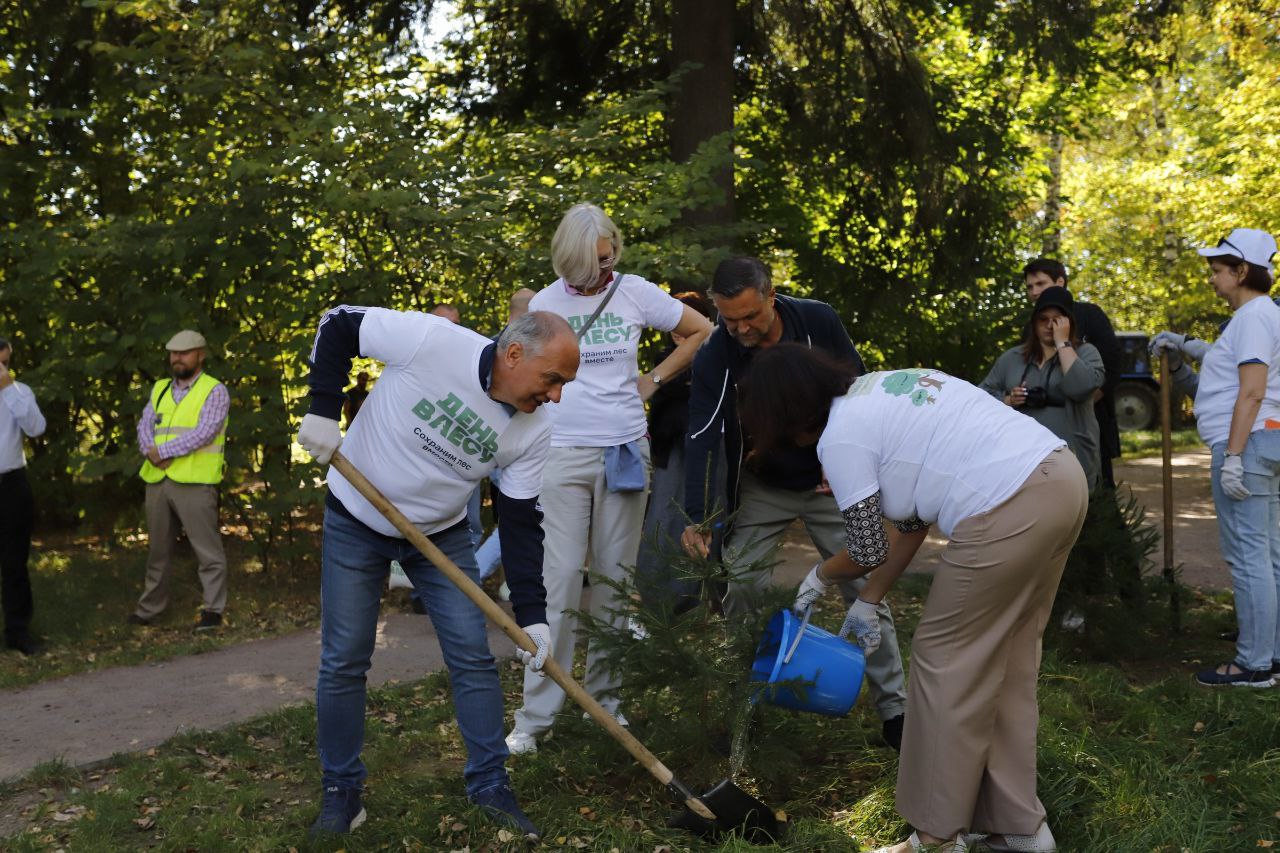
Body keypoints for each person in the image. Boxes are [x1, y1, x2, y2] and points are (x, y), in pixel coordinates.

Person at [740, 344, 1085, 853]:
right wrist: (868, 599)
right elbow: (911, 521)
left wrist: (818, 574)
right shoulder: (879, 391)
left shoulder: (841, 438)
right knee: (1007, 662)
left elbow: (865, 545)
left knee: (942, 661)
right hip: (1060, 479)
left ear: (781, 412)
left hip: (1008, 502)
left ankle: (936, 836)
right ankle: (1019, 828)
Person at [296, 307, 579, 839]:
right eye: (553, 379)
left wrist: (534, 615)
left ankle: (490, 786)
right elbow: (338, 325)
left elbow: (519, 523)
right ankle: (341, 792)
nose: (557, 395)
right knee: (344, 657)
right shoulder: (432, 342)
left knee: (473, 656)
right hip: (356, 516)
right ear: (514, 354)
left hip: (439, 538)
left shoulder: (536, 429)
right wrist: (321, 410)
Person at [505, 203, 714, 755]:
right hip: (560, 453)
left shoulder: (635, 291)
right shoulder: (544, 305)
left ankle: (607, 705)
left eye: (609, 255)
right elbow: (515, 369)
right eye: (594, 261)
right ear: (568, 259)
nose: (605, 267)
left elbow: (701, 331)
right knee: (561, 579)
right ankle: (535, 717)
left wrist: (654, 378)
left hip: (624, 451)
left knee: (616, 586)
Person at [678, 256, 909, 749]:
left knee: (867, 583)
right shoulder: (716, 352)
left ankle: (896, 710)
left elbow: (861, 389)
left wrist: (850, 459)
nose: (740, 328)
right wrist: (697, 517)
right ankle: (747, 704)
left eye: (749, 317)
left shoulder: (818, 320)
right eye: (728, 318)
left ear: (771, 295)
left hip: (832, 478)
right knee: (741, 581)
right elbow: (701, 434)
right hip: (765, 483)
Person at [1150, 228, 1280, 688]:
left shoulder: (1252, 318)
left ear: (1242, 270)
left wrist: (1233, 458)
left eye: (1218, 269)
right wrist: (1185, 343)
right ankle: (1272, 651)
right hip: (1267, 440)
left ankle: (1253, 664)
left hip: (1247, 443)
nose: (1211, 278)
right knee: (1267, 554)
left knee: (1248, 557)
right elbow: (1226, 366)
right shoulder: (1261, 316)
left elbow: (1251, 391)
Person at [131, 330, 230, 632]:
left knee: (207, 550)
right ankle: (149, 609)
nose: (177, 358)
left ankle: (213, 611)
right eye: (173, 353)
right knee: (157, 550)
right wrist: (151, 453)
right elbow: (144, 425)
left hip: (195, 483)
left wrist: (161, 451)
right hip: (158, 479)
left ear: (200, 354)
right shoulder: (160, 389)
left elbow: (206, 431)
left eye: (184, 353)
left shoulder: (214, 390)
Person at [636, 291, 717, 612]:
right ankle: (656, 593)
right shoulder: (663, 358)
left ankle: (695, 593)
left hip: (708, 450)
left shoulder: (717, 358)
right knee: (665, 513)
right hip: (670, 448)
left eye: (686, 323)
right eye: (674, 324)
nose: (678, 332)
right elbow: (659, 399)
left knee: (701, 516)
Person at [980, 288, 1106, 490]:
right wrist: (1008, 400)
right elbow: (981, 396)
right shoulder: (1013, 358)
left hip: (1071, 461)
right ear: (1033, 323)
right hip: (1020, 462)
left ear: (1069, 322)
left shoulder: (1086, 353)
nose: (1049, 325)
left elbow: (1080, 388)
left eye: (1057, 320)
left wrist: (1062, 342)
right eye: (1043, 319)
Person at [1023, 258, 1122, 487]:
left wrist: (1083, 397)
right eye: (1030, 287)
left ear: (1060, 282)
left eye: (1041, 284)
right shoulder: (1031, 327)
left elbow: (1113, 362)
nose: (1035, 291)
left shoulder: (1090, 314)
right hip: (1044, 431)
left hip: (1091, 419)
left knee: (1097, 493)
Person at [0, 336, 47, 656]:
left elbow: (36, 427)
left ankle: (18, 632)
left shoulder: (20, 392)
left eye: (5, 363)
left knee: (14, 562)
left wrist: (7, 388)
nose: (3, 368)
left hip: (10, 484)